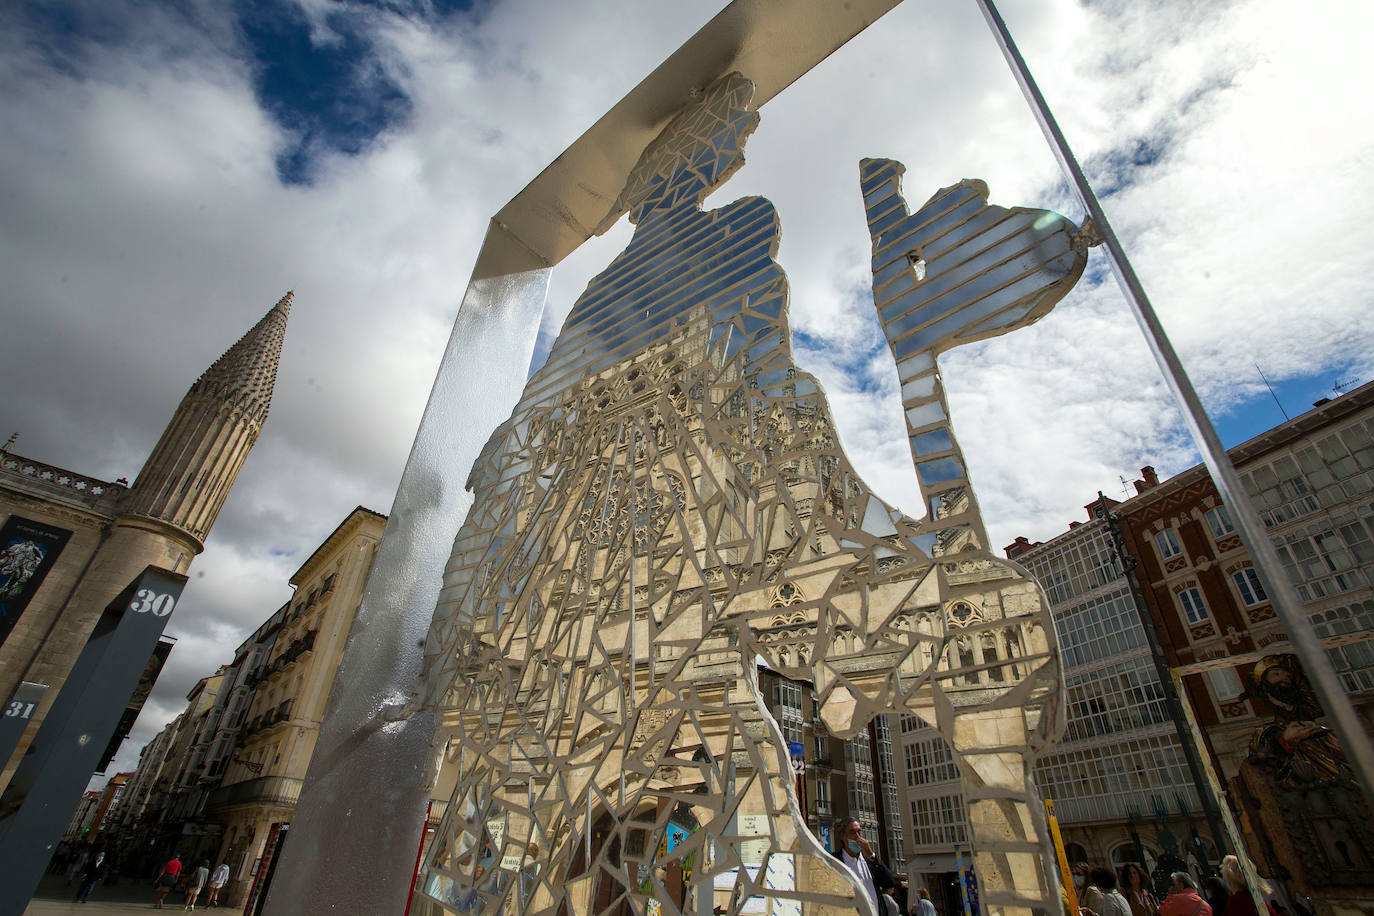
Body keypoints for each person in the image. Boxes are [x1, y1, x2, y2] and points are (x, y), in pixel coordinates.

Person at [833, 817, 896, 915]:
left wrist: (872, 856)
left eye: (859, 832)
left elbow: (889, 882)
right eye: (852, 832)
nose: (857, 837)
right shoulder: (835, 861)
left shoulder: (870, 861)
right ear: (843, 836)